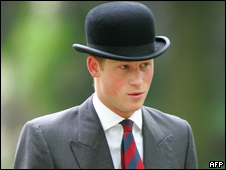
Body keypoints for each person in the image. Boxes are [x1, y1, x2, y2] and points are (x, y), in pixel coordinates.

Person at [13, 1, 198, 169]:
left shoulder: (180, 134)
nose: (138, 80)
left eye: (145, 65)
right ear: (94, 67)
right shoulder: (46, 138)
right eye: (124, 67)